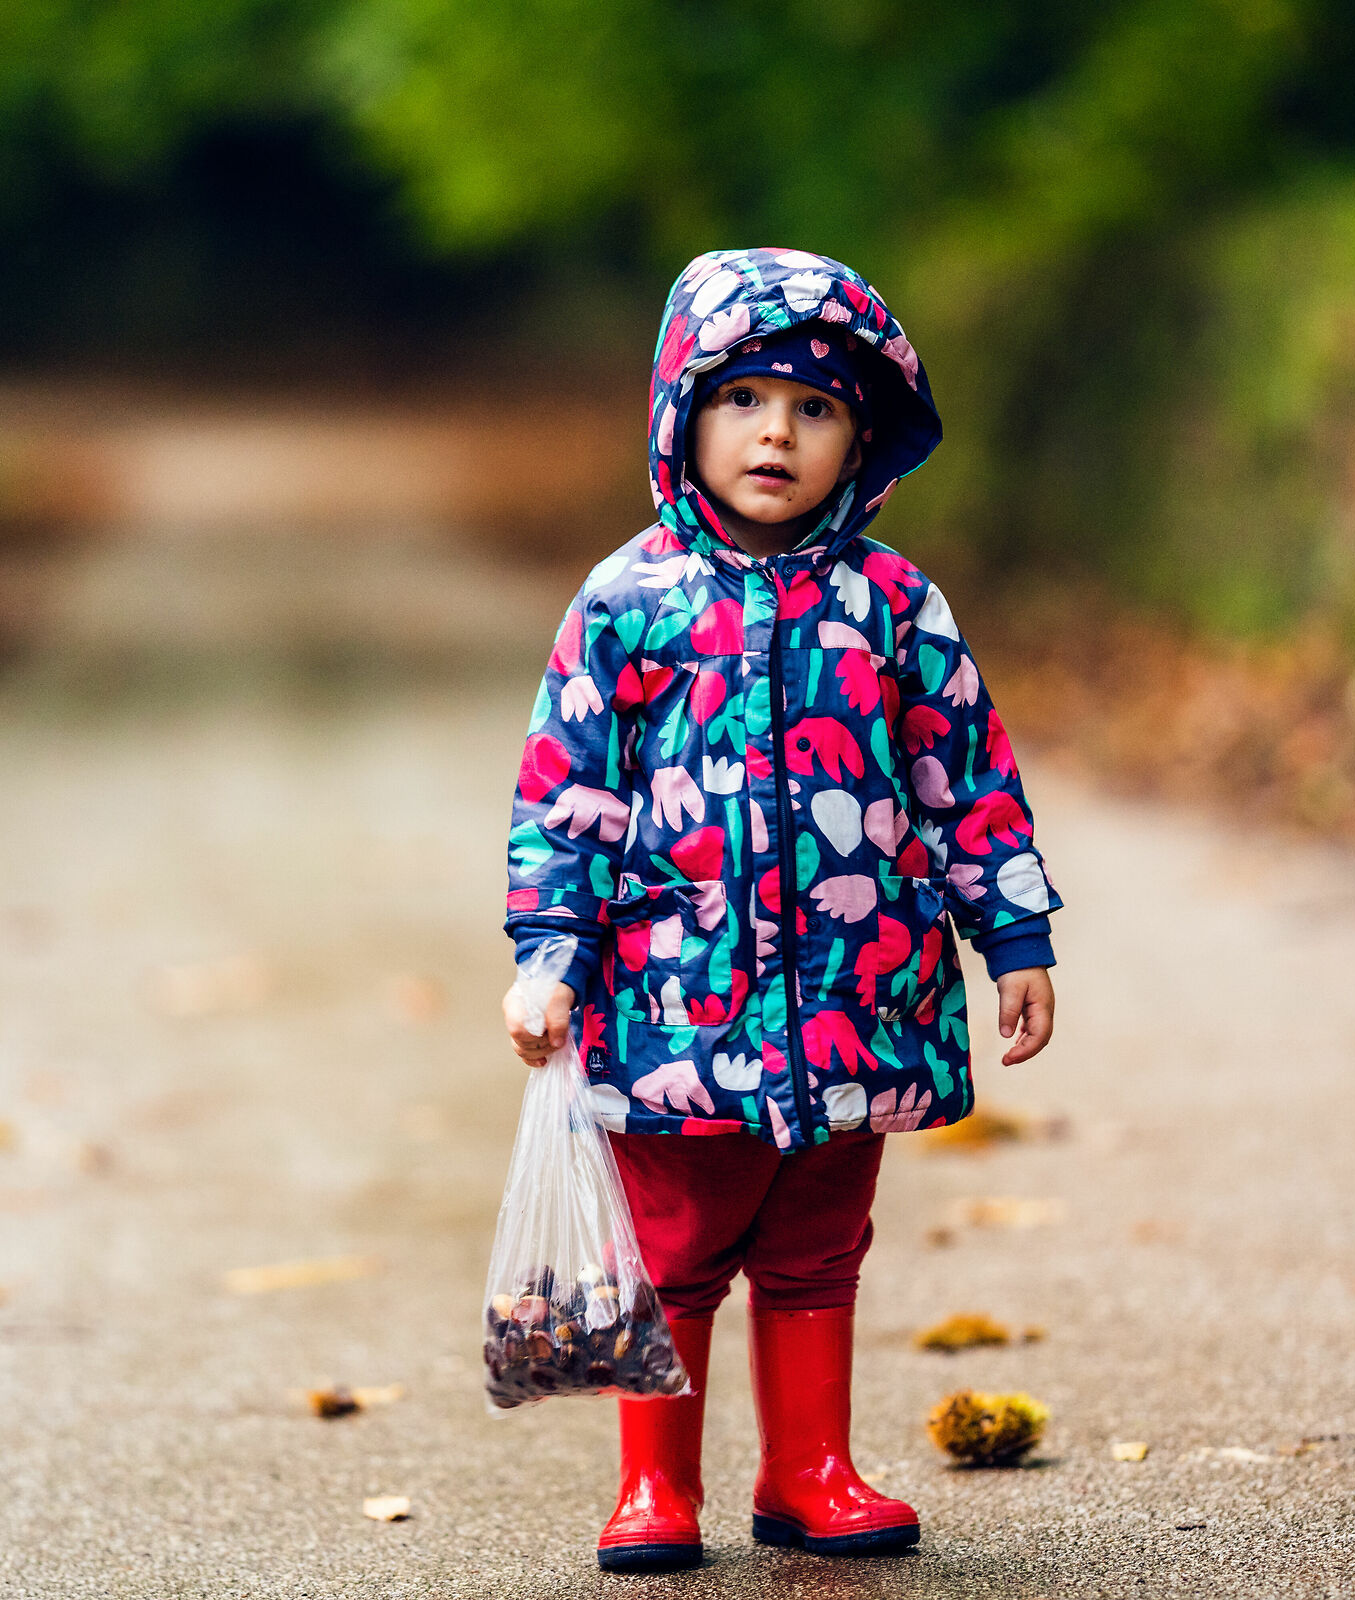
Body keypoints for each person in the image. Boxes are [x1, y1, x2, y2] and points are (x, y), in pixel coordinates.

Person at [499, 247, 1060, 1573]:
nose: (776, 432)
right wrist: (550, 961)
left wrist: (1013, 935)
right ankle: (657, 1488)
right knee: (678, 1250)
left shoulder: (895, 606)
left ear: (862, 436)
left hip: (860, 1002)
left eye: (815, 409)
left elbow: (967, 780)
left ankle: (810, 1469)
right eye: (743, 398)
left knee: (818, 1245)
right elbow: (565, 800)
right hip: (673, 1000)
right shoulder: (626, 603)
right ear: (681, 414)